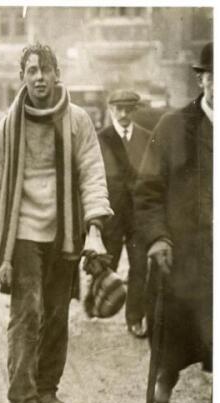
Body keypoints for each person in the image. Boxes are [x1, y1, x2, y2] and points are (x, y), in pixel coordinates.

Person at [0, 43, 112, 403]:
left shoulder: (77, 120)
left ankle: (46, 389)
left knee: (56, 313)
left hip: (64, 232)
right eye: (31, 70)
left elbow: (91, 172)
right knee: (26, 315)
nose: (38, 77)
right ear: (22, 76)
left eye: (45, 69)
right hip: (22, 233)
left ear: (57, 74)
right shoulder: (9, 123)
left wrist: (95, 228)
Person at [134, 42, 213, 403]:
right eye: (215, 76)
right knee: (174, 340)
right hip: (183, 260)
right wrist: (158, 238)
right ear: (203, 79)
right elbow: (147, 193)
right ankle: (164, 383)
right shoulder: (173, 127)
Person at [98, 90, 151, 338]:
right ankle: (99, 302)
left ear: (135, 111)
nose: (123, 114)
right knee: (108, 263)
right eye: (118, 109)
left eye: (128, 109)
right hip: (110, 214)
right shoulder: (100, 140)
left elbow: (154, 178)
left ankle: (134, 318)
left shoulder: (147, 139)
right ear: (110, 109)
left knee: (140, 266)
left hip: (139, 217)